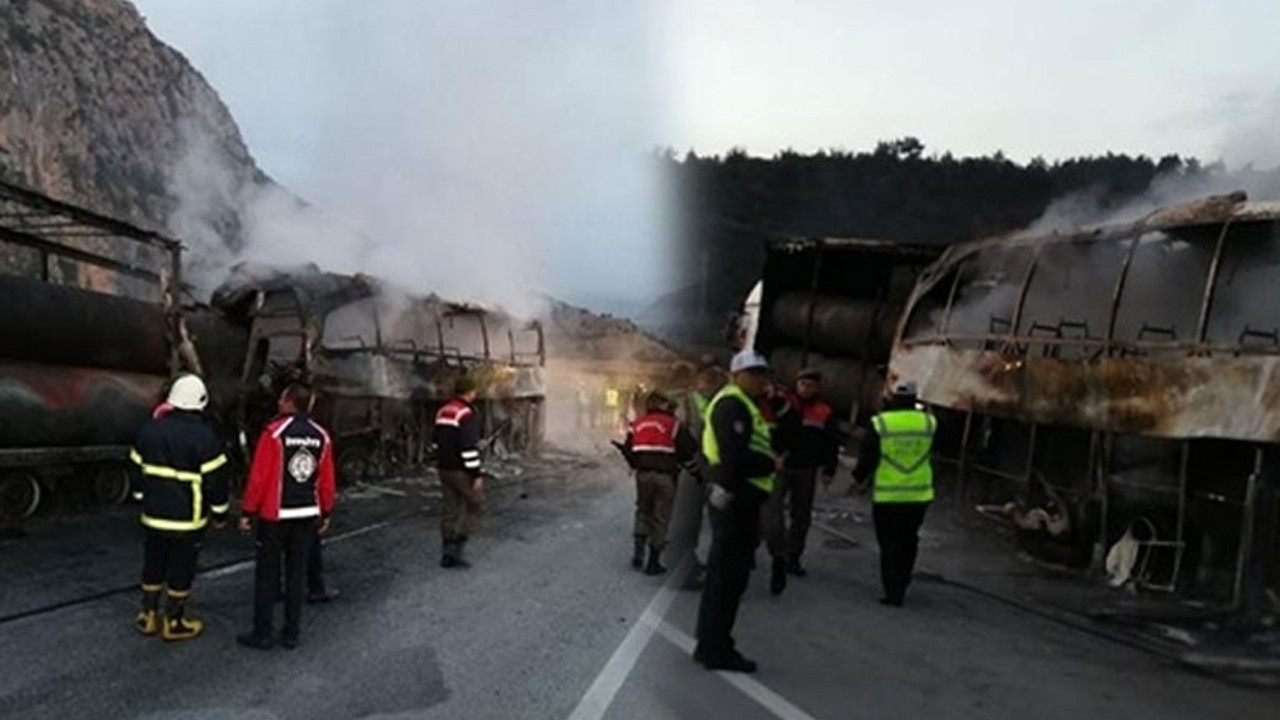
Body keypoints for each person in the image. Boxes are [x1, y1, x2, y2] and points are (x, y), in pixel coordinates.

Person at [694, 350, 778, 674]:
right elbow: (734, 458)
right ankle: (716, 650)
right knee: (727, 580)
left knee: (724, 578)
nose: (761, 380)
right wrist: (773, 464)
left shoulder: (743, 403)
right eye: (755, 374)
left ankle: (709, 644)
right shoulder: (733, 405)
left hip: (736, 498)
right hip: (735, 499)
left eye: (764, 374)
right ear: (737, 375)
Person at [129, 374, 231, 641]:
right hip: (188, 520)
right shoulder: (205, 437)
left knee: (153, 563)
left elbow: (135, 468)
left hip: (153, 516)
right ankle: (173, 622)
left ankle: (148, 615)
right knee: (181, 568)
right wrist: (220, 513)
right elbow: (216, 482)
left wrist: (141, 495)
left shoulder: (149, 429)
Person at [237, 382, 337, 650]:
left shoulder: (273, 434)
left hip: (275, 514)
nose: (279, 403)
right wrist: (326, 511)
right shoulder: (321, 437)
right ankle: (291, 633)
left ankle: (263, 632)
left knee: (268, 574)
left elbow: (259, 478)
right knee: (296, 573)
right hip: (306, 514)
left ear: (291, 403)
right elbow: (327, 481)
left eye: (282, 398)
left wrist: (247, 511)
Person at [852, 380, 936, 607]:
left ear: (891, 398)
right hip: (918, 495)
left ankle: (892, 590)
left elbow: (868, 457)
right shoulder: (928, 422)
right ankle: (904, 581)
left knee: (888, 543)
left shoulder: (881, 423)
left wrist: (858, 479)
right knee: (909, 540)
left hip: (888, 496)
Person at [764, 369, 840, 595]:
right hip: (780, 466)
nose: (805, 389)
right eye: (802, 384)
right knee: (771, 512)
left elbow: (831, 442)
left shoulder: (823, 411)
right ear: (796, 385)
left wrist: (829, 469)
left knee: (801, 515)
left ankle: (792, 557)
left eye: (810, 385)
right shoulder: (784, 404)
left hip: (805, 469)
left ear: (817, 388)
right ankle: (771, 549)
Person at [621, 390, 698, 575]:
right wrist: (696, 474)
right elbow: (688, 451)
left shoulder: (637, 424)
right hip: (666, 477)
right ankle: (653, 562)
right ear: (665, 405)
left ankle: (638, 553)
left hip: (643, 476)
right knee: (661, 517)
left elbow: (630, 451)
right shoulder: (674, 425)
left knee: (643, 511)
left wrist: (635, 462)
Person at [435, 376, 486, 569]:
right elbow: (468, 449)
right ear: (470, 392)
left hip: (443, 468)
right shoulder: (466, 414)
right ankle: (458, 549)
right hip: (460, 470)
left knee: (450, 508)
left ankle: (447, 554)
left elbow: (435, 441)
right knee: (476, 504)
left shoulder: (443, 411)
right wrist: (476, 474)